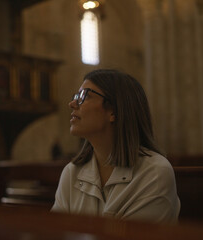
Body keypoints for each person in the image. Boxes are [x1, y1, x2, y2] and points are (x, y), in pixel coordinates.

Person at [51, 69, 180, 224]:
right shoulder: (72, 172)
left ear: (113, 111)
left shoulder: (154, 173)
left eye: (84, 96)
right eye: (76, 97)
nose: (72, 104)